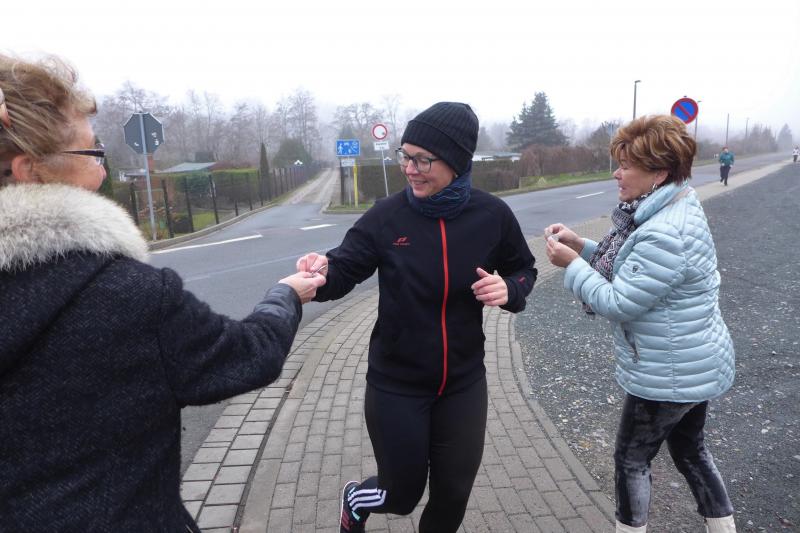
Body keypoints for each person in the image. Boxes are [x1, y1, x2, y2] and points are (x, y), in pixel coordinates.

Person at [0, 53, 326, 531]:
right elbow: (248, 355)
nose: (105, 172)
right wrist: (287, 295)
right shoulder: (126, 296)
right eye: (93, 153)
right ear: (31, 171)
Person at [296, 102, 536, 533]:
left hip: (463, 382)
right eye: (405, 157)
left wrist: (510, 289)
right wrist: (320, 275)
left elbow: (525, 269)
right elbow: (345, 267)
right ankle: (355, 499)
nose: (410, 169)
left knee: (453, 495)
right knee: (400, 495)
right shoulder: (387, 217)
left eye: (423, 160)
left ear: (456, 161)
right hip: (397, 384)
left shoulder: (491, 215)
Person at [543, 115, 736, 533]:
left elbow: (619, 301)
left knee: (631, 460)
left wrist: (572, 265)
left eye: (627, 165)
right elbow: (635, 267)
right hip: (694, 361)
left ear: (659, 173)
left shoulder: (663, 231)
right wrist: (582, 245)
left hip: (667, 371)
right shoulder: (674, 206)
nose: (616, 173)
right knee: (691, 452)